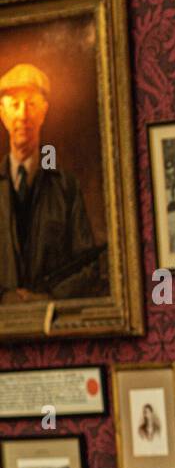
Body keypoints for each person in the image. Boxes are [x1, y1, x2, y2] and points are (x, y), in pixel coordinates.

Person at [0, 63, 104, 303]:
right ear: (3, 114)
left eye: (32, 104)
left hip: (53, 324)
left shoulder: (66, 187)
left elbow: (89, 266)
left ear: (43, 112)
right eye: (15, 105)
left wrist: (49, 297)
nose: (23, 115)